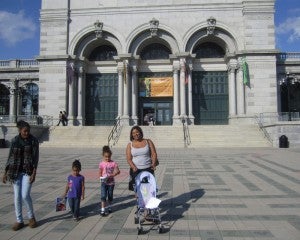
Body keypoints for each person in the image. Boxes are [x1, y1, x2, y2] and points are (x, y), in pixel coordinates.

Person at [2, 120, 39, 231]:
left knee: (25, 195)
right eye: (25, 131)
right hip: (15, 171)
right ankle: (19, 220)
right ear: (20, 130)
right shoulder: (14, 141)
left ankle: (31, 217)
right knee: (17, 197)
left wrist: (34, 173)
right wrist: (5, 172)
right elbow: (10, 157)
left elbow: (35, 158)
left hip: (27, 171)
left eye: (28, 131)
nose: (27, 133)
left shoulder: (33, 141)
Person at [126, 126, 157, 192]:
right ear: (131, 135)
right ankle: (139, 201)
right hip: (135, 170)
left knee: (148, 190)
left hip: (148, 169)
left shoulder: (148, 141)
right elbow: (129, 159)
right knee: (137, 190)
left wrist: (153, 164)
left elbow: (154, 153)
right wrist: (133, 167)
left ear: (140, 132)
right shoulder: (130, 145)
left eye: (137, 132)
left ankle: (147, 202)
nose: (135, 134)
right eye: (133, 133)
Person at [99, 145, 120, 216]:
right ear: (103, 156)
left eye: (109, 157)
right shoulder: (101, 163)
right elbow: (100, 171)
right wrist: (101, 177)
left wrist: (114, 174)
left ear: (111, 156)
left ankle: (110, 207)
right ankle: (102, 210)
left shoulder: (113, 163)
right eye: (106, 157)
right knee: (103, 196)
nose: (107, 158)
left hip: (111, 183)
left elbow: (118, 171)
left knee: (110, 196)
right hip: (103, 182)